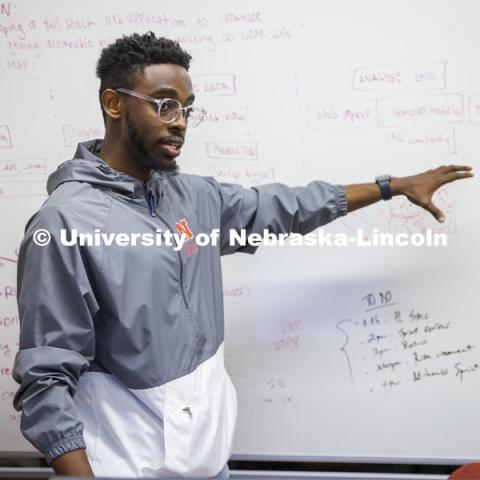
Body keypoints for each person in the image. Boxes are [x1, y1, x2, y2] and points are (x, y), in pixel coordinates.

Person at [11, 32, 473, 478]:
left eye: (188, 109)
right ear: (114, 103)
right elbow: (46, 380)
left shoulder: (192, 197)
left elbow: (286, 206)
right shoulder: (65, 223)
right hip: (122, 466)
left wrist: (391, 187)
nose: (180, 122)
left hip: (209, 464)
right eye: (165, 104)